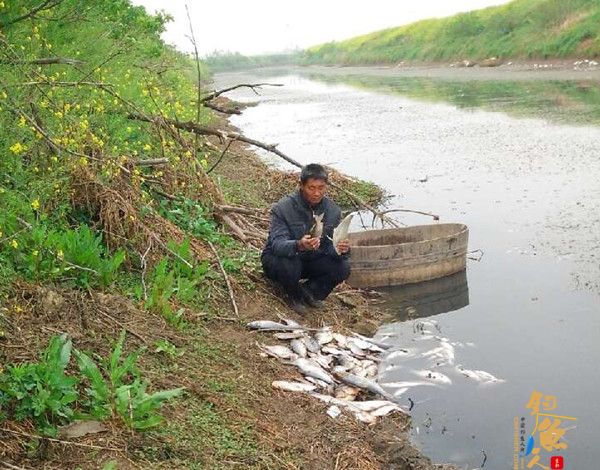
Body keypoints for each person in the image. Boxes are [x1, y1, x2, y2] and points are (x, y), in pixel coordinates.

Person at [261, 163, 351, 314]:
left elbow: (329, 247)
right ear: (301, 185)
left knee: (343, 267)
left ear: (326, 186)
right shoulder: (283, 208)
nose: (317, 193)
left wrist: (341, 250)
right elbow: (277, 244)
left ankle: (309, 293)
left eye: (321, 188)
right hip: (281, 261)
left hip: (311, 259)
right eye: (311, 188)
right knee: (289, 262)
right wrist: (299, 245)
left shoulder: (333, 211)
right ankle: (293, 296)